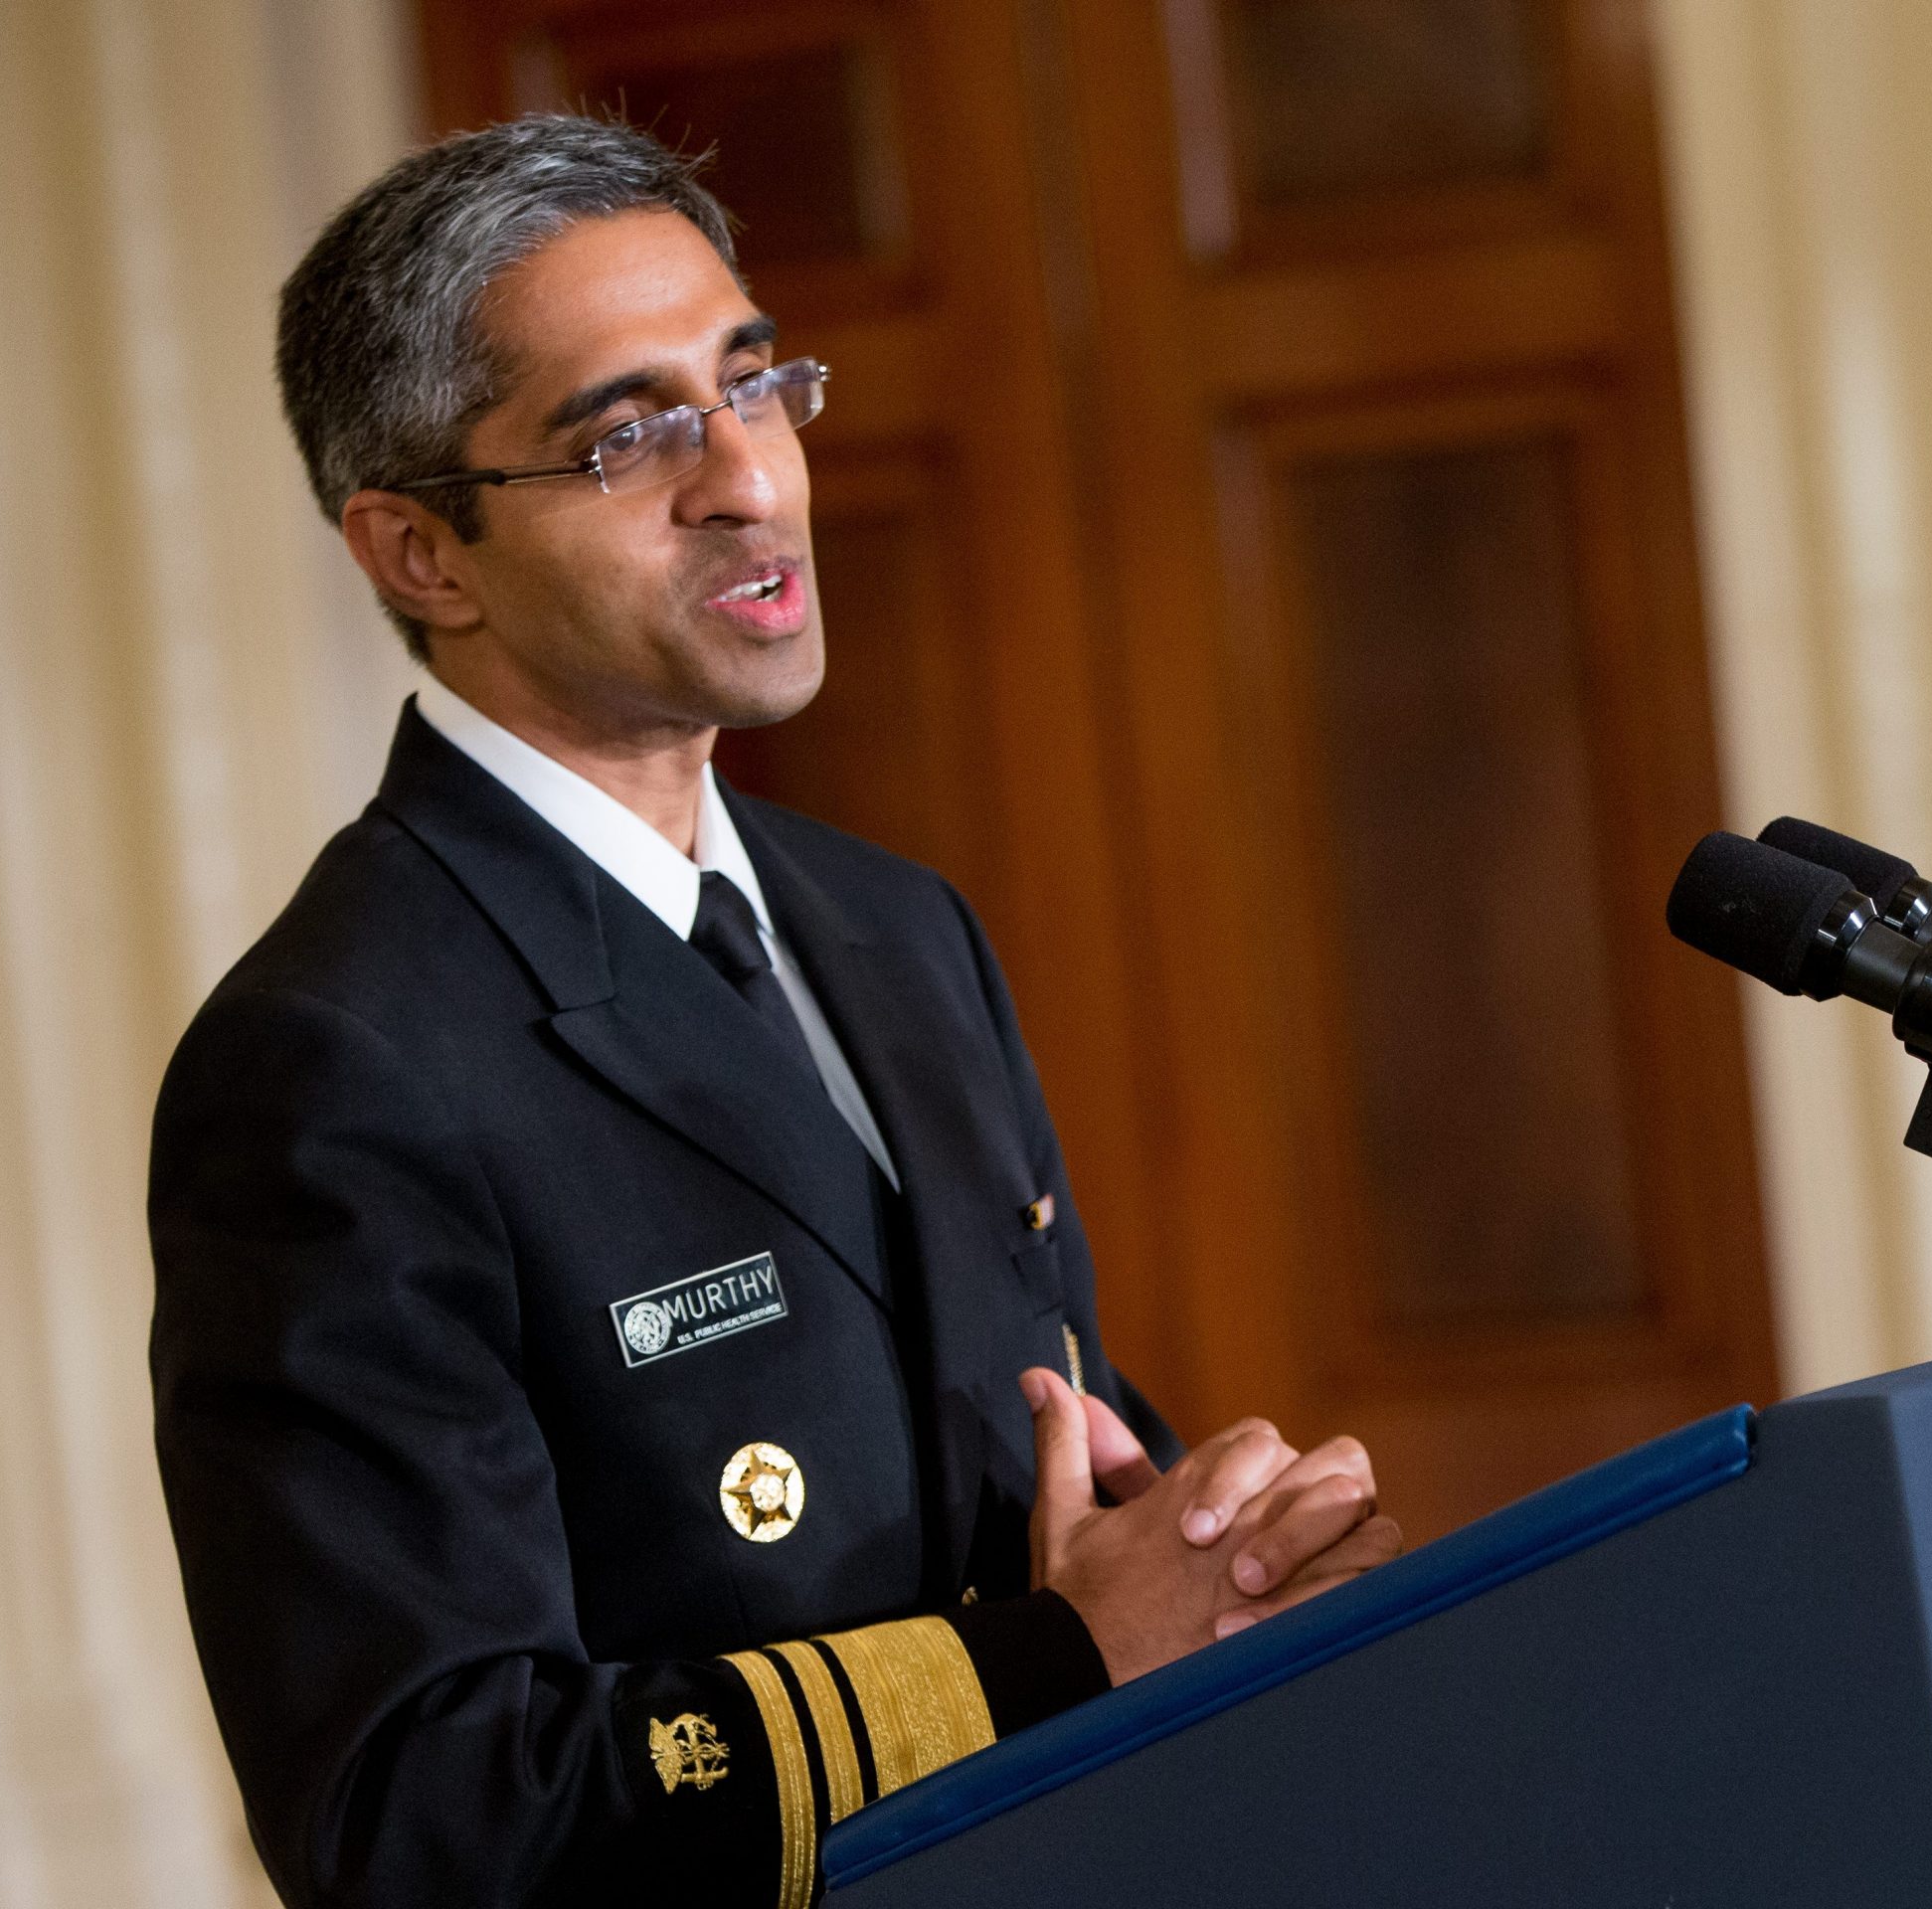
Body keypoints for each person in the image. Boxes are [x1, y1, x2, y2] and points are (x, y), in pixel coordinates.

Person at [148, 113, 1399, 1909]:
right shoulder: (335, 1065)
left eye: (755, 385)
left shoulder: (896, 928)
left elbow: (1049, 1482)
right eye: (630, 435)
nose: (748, 478)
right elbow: (419, 1817)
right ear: (419, 552)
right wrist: (1048, 1660)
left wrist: (1237, 1547)